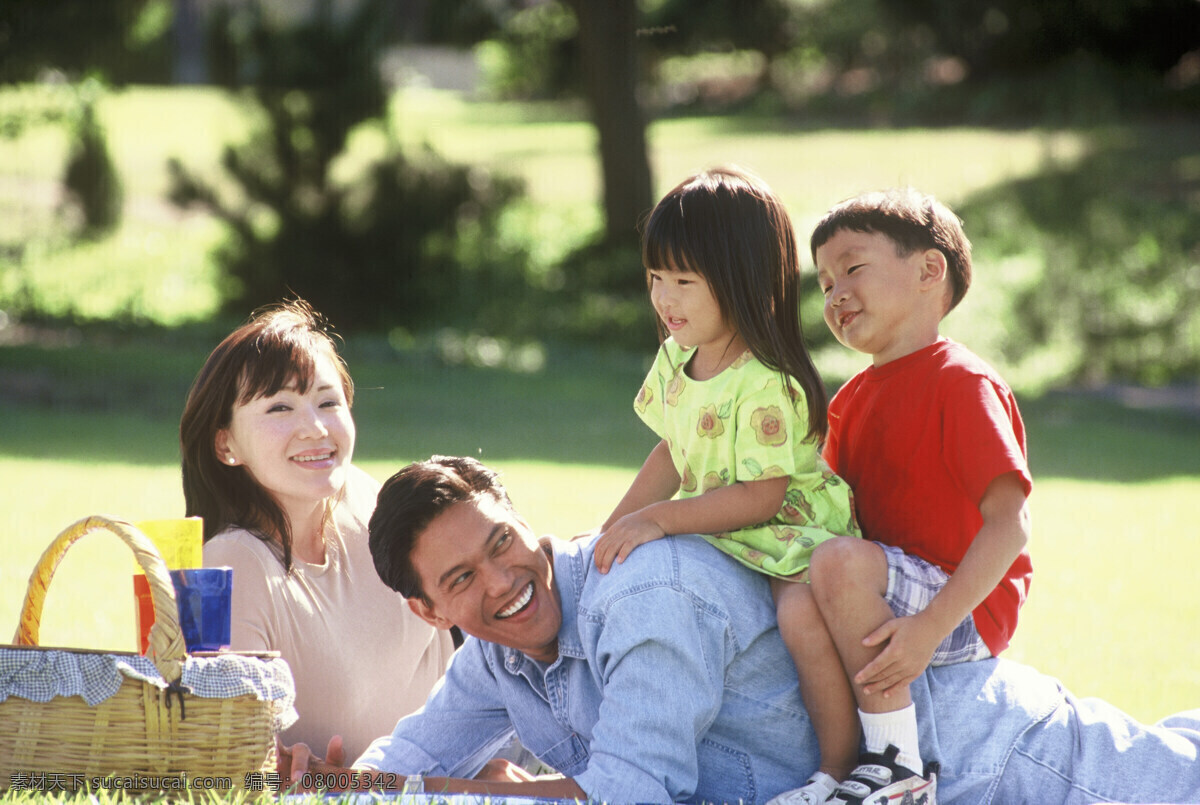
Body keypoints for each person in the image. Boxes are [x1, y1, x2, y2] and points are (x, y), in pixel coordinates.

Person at [283, 455, 1200, 805]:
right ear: (427, 611)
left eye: (503, 543)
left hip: (1004, 766)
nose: (503, 580)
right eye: (462, 579)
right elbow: (404, 764)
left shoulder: (644, 592)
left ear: (522, 519)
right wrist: (322, 785)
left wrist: (442, 790)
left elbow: (628, 798)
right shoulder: (497, 655)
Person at [591, 167, 862, 803]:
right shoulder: (677, 360)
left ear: (743, 279)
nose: (665, 298)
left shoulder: (764, 381)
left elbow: (762, 497)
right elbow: (672, 452)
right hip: (725, 526)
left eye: (684, 281)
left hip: (791, 535)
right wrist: (614, 527)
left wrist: (659, 521)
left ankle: (840, 766)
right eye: (657, 278)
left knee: (799, 619)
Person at [772, 188, 1035, 805]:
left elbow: (1010, 525)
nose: (835, 292)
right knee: (794, 592)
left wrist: (927, 629)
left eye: (853, 268)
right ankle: (836, 771)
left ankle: (898, 764)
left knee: (834, 563)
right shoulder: (848, 401)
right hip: (887, 585)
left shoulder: (960, 380)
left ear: (927, 271)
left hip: (965, 604)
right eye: (825, 281)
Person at [179, 299, 455, 761]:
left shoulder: (368, 498)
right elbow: (224, 757)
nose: (315, 428)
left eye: (328, 402)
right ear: (225, 443)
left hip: (496, 750)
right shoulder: (225, 564)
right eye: (280, 408)